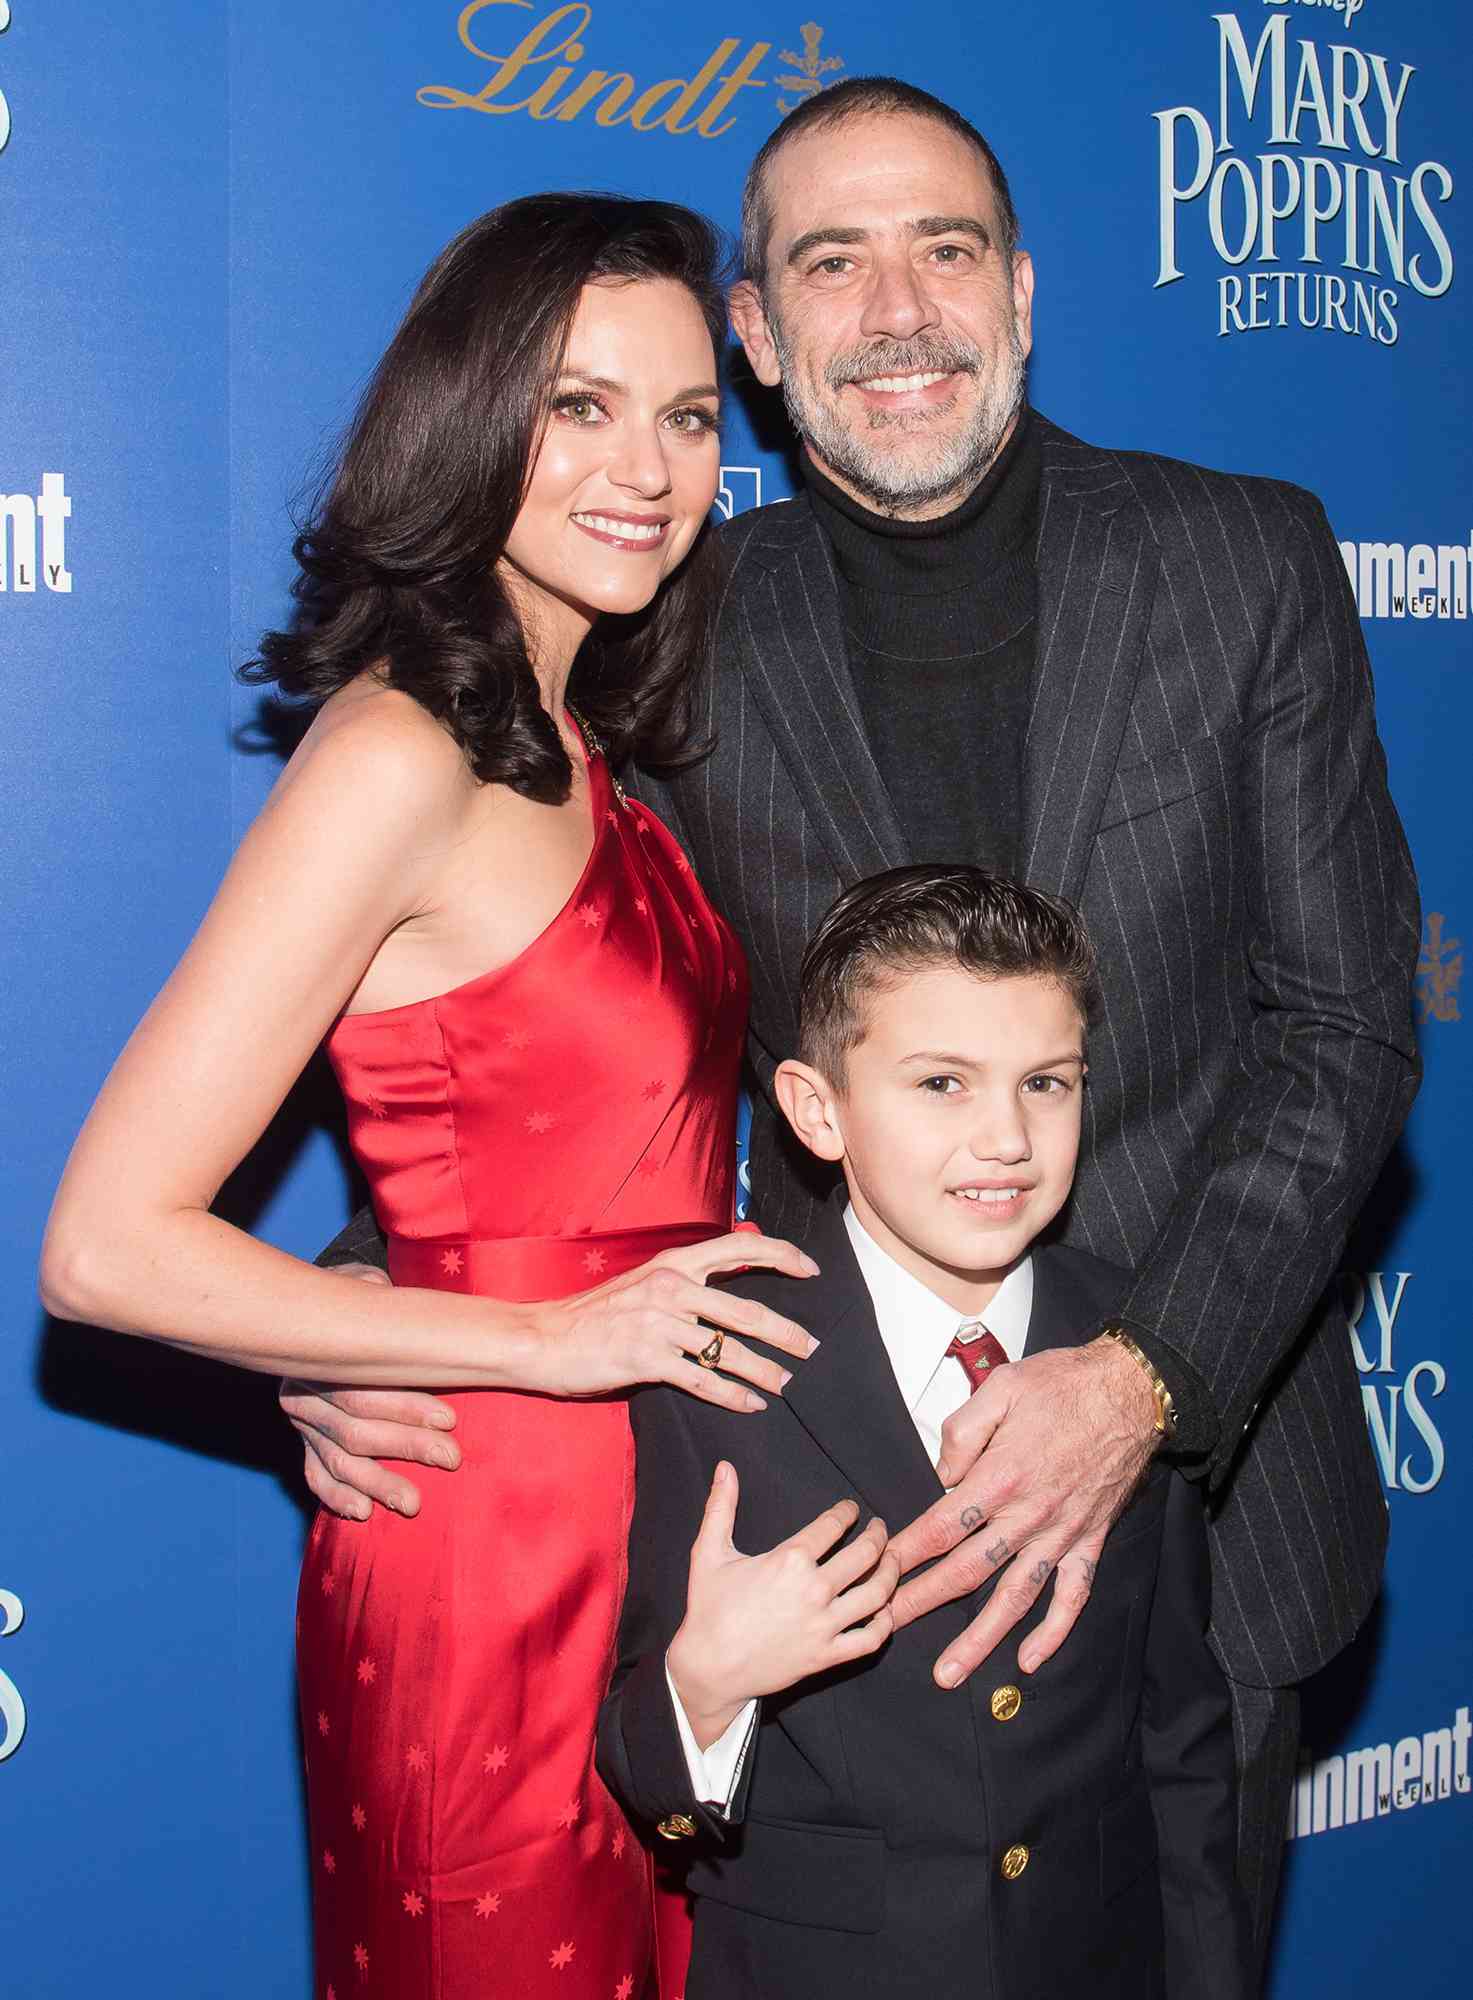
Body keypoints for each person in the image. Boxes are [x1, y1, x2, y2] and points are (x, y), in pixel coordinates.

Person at [293, 79, 1421, 1974]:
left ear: (1024, 292)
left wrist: (1139, 1382)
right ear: (754, 336)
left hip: (1207, 1544)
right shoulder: (682, 616)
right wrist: (371, 1306)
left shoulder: (1243, 559)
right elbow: (565, 995)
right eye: (832, 263)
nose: (897, 312)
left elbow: (1342, 1030)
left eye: (944, 252)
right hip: (834, 1561)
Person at [41, 194, 821, 2000]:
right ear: (472, 419)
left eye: (690, 417)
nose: (645, 467)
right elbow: (102, 1246)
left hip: (661, 1537)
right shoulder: (395, 751)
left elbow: (519, 1135)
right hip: (485, 1560)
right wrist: (545, 1339)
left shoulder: (584, 738)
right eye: (577, 407)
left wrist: (400, 1296)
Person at [598, 864, 1252, 2000]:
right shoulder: (716, 1364)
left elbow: (1180, 1737)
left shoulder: (1131, 1348)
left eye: (1046, 1081)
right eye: (942, 1081)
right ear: (816, 1107)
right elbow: (633, 1756)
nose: (1006, 1134)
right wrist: (709, 1679)